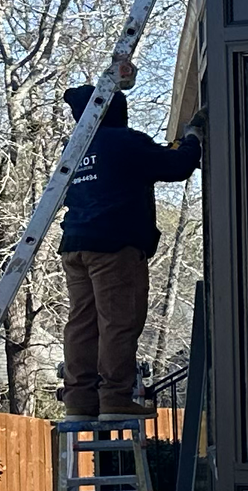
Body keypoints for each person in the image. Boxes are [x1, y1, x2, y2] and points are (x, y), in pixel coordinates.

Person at [56, 71, 200, 421]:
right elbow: (178, 166)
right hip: (114, 245)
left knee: (82, 323)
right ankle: (115, 397)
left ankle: (79, 400)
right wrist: (194, 138)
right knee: (118, 321)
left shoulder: (76, 148)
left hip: (75, 244)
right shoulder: (124, 141)